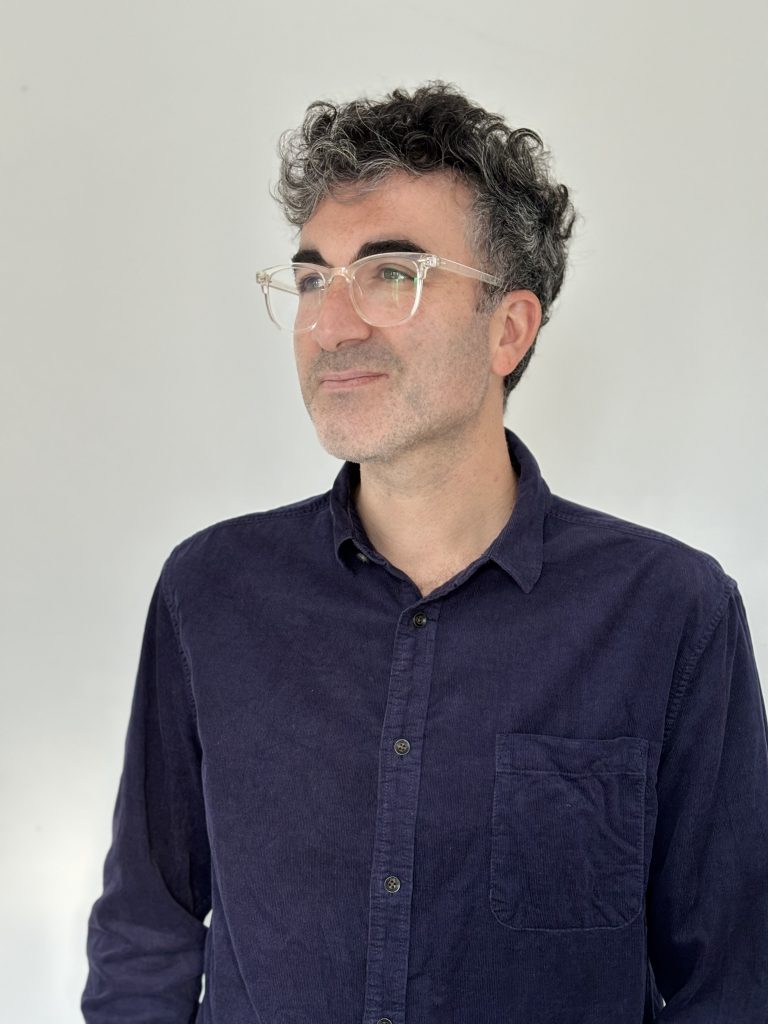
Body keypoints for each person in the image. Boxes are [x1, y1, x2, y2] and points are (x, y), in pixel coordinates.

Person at [81, 82, 768, 1023]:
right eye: (313, 279)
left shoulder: (670, 614)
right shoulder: (210, 592)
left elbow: (732, 979)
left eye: (390, 273)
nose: (330, 325)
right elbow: (146, 928)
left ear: (509, 328)